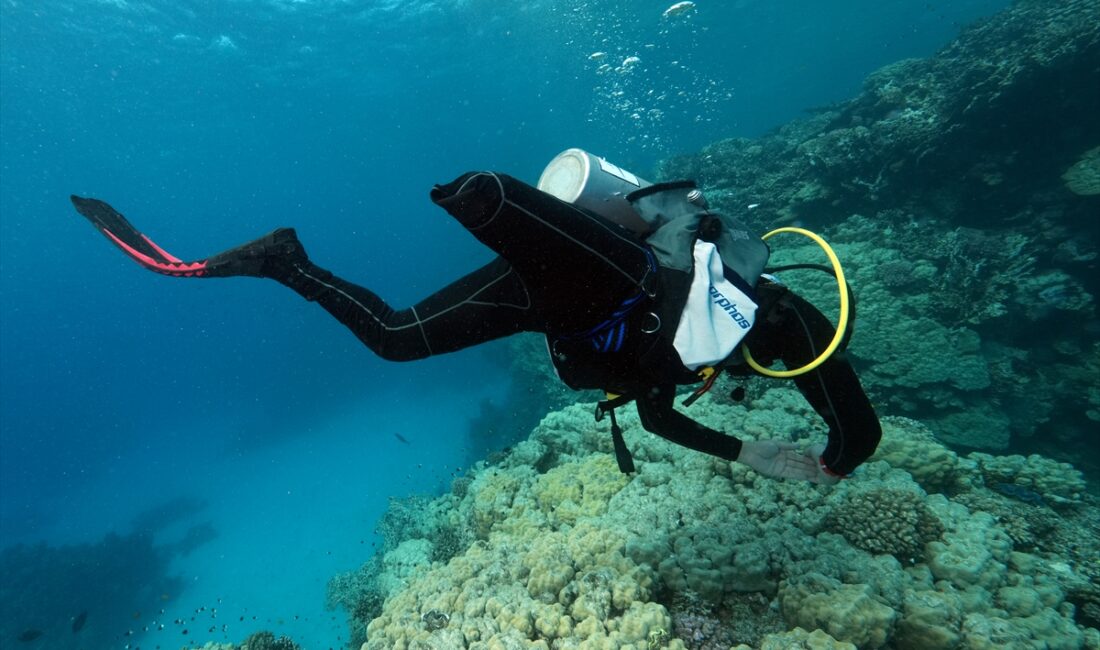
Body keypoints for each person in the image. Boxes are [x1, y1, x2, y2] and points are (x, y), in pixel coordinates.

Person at [70, 169, 881, 484]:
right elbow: (858, 430)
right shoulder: (782, 319)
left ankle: (285, 261)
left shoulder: (702, 351)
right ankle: (481, 195)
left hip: (561, 305)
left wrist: (754, 455)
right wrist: (830, 465)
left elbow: (656, 407)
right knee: (490, 199)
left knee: (392, 339)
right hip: (608, 279)